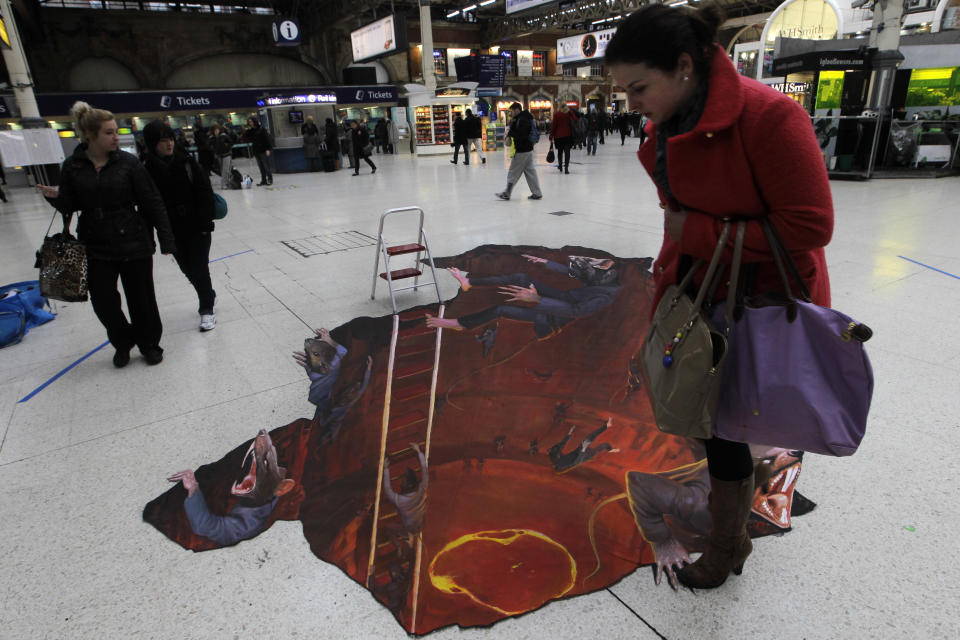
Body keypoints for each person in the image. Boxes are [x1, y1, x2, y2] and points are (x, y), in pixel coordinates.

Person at [605, 2, 833, 589]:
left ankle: (728, 547)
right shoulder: (663, 131)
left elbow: (811, 227)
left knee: (728, 423)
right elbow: (679, 221)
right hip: (699, 295)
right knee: (709, 421)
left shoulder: (771, 118)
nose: (629, 105)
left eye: (638, 88)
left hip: (763, 304)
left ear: (684, 66)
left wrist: (698, 233)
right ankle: (731, 530)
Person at [37, 101, 176, 367]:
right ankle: (123, 341)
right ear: (90, 135)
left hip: (133, 239)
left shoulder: (129, 163)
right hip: (95, 242)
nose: (116, 137)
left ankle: (149, 344)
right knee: (104, 302)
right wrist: (55, 198)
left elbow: (152, 201)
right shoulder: (73, 166)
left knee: (142, 298)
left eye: (116, 132)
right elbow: (70, 204)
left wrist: (166, 238)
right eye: (109, 133)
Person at [141, 120, 217, 332]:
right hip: (171, 230)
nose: (169, 144)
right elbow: (147, 205)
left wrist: (205, 223)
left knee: (199, 266)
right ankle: (208, 294)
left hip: (196, 226)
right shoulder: (145, 169)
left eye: (171, 140)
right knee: (186, 268)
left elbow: (204, 192)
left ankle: (206, 308)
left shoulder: (187, 162)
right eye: (163, 141)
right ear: (152, 144)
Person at [496, 102, 541, 200]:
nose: (511, 113)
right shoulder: (524, 117)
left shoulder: (522, 119)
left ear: (517, 110)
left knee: (513, 171)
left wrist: (511, 132)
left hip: (522, 150)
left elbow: (522, 135)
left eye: (511, 111)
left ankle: (507, 193)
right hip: (528, 149)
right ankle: (537, 193)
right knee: (530, 172)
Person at [549, 103, 578, 174]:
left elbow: (553, 126)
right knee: (567, 153)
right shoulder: (569, 113)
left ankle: (561, 166)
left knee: (560, 152)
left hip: (558, 137)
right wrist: (571, 112)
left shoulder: (557, 114)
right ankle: (566, 169)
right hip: (568, 136)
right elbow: (576, 120)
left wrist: (551, 136)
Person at [244, 116, 272, 186]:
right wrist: (247, 130)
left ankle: (270, 179)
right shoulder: (251, 131)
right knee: (261, 167)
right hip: (256, 151)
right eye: (249, 122)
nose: (250, 123)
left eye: (251, 121)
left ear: (254, 121)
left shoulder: (262, 129)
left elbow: (267, 140)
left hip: (263, 150)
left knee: (266, 166)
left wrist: (268, 149)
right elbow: (247, 138)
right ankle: (263, 180)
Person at [209, 123, 234, 189]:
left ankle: (224, 184)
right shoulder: (212, 138)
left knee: (226, 170)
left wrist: (227, 147)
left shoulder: (223, 136)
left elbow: (231, 142)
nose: (216, 131)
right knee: (222, 170)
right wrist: (214, 152)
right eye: (215, 130)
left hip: (226, 154)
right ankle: (225, 183)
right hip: (219, 156)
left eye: (217, 130)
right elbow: (210, 146)